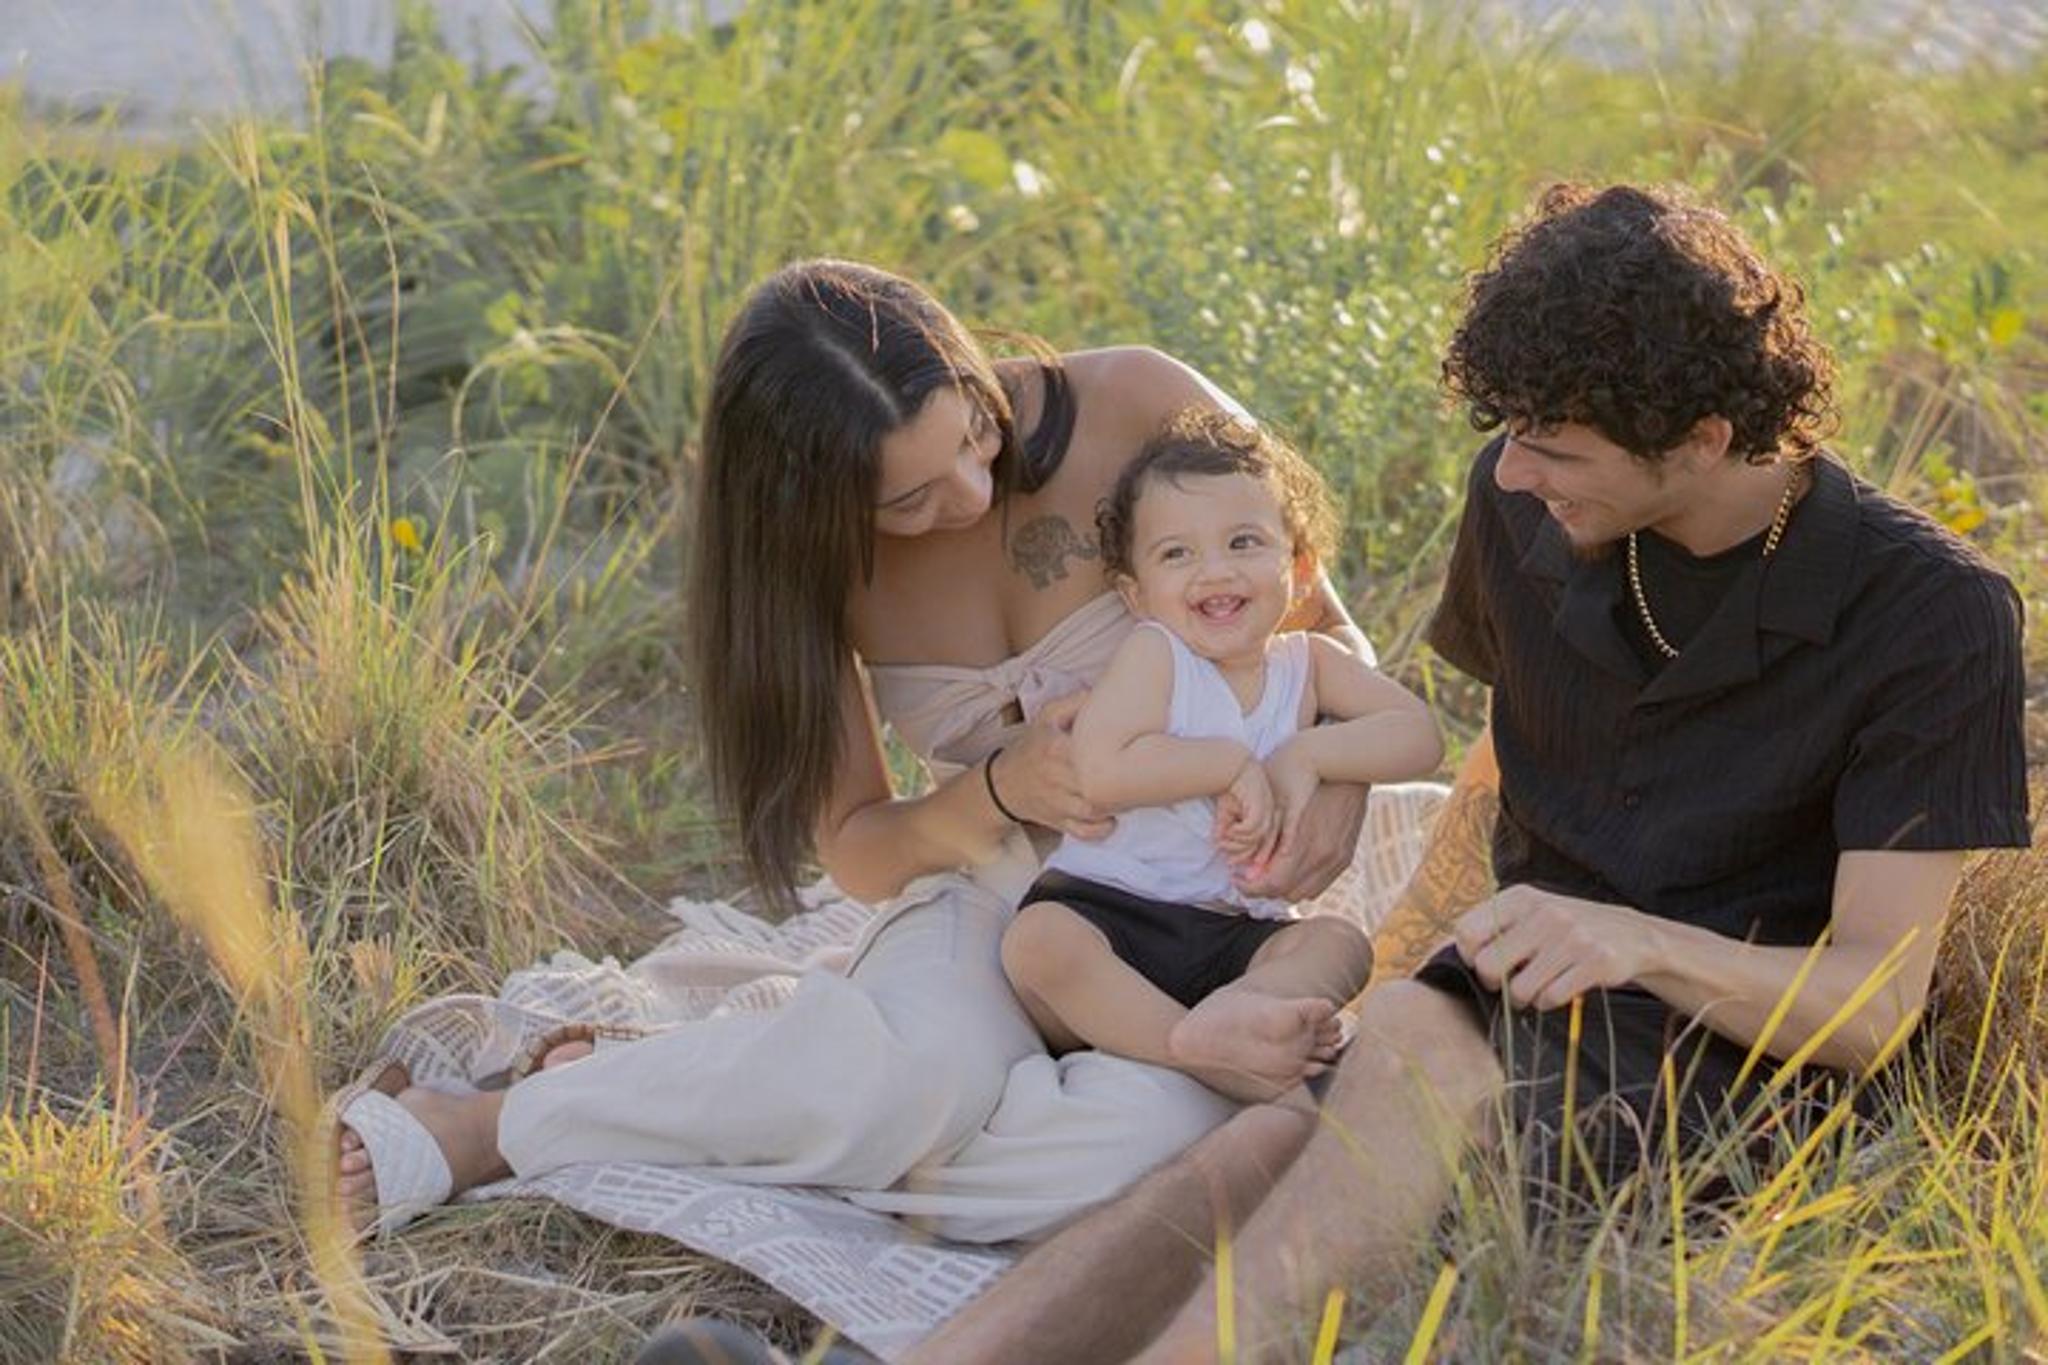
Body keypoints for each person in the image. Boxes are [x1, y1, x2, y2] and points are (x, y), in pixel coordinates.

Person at [887, 182, 2031, 1364]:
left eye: (1554, 449)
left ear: (1701, 439)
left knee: (1390, 1076)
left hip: (1730, 1071)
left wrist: (1635, 943)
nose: (1515, 474)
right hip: (1508, 997)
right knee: (1264, 1142)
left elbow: (1870, 1007)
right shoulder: (1521, 503)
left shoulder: (1929, 614)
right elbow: (1492, 758)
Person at [332, 259, 1399, 1245]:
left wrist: (1333, 781)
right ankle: (490, 1124)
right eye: (909, 498)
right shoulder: (815, 577)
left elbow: (1326, 642)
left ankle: (740, 1085)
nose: (972, 497)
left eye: (973, 437)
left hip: (1207, 901)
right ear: (814, 499)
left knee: (1130, 1149)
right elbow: (858, 852)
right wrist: (998, 785)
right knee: (900, 1092)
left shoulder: (1135, 400)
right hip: (1004, 896)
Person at [1002, 411, 1441, 1101]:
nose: (1215, 571)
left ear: (1296, 568)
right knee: (1036, 942)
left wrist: (1307, 754)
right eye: (1177, 554)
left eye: (1243, 542)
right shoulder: (1158, 657)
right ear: (1136, 594)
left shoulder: (1309, 664)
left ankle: (1241, 1017)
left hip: (1237, 932)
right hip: (1113, 909)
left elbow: (1421, 735)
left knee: (1340, 944)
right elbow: (1103, 770)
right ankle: (1190, 1049)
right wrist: (1230, 765)